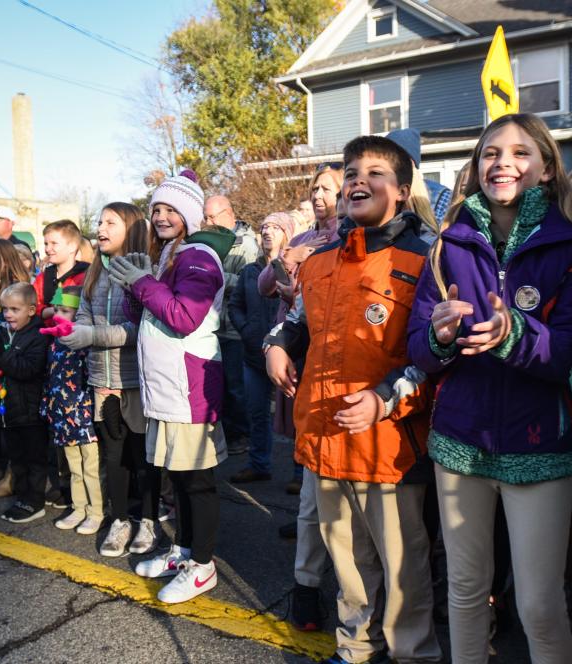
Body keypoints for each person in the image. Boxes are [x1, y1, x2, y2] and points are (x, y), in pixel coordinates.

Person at [265, 135, 441, 664]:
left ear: (404, 192)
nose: (357, 179)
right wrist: (275, 346)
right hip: (325, 437)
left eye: (374, 172)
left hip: (390, 447)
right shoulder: (320, 261)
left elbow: (435, 356)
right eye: (351, 170)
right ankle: (357, 646)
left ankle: (412, 652)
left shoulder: (425, 258)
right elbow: (297, 325)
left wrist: (386, 401)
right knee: (347, 562)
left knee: (403, 566)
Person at [408, 113, 572, 663]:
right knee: (464, 593)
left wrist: (513, 334)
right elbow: (418, 350)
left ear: (547, 168)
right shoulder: (447, 244)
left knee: (540, 606)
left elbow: (567, 351)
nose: (503, 163)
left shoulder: (568, 246)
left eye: (521, 153)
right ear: (476, 168)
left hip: (540, 449)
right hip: (459, 443)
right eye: (490, 153)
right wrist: (440, 335)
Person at [108, 171, 230, 604]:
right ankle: (183, 551)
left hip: (188, 386)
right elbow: (148, 314)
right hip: (166, 386)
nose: (160, 216)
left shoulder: (197, 255)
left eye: (170, 209)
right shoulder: (169, 255)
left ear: (190, 214)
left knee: (197, 481)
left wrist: (142, 283)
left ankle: (203, 565)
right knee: (177, 478)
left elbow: (183, 317)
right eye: (156, 209)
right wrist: (134, 284)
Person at [258, 163, 343, 630]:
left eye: (328, 188)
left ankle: (377, 613)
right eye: (318, 188)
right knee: (312, 497)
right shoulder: (311, 242)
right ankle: (307, 587)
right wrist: (275, 342)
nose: (322, 196)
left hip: (371, 394)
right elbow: (289, 306)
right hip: (312, 372)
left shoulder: (401, 247)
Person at [62, 203, 157, 557]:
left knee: (143, 456)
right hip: (101, 380)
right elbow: (86, 312)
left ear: (130, 228)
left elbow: (140, 330)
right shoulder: (96, 272)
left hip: (135, 381)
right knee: (113, 456)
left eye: (109, 222)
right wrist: (74, 330)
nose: (100, 227)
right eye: (99, 221)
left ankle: (148, 519)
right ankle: (120, 519)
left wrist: (91, 336)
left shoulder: (140, 272)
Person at [228, 212, 296, 483]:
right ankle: (259, 464)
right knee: (257, 414)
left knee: (296, 419)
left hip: (289, 354)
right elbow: (235, 305)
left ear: (287, 234)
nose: (267, 232)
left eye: (275, 227)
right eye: (264, 227)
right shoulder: (249, 271)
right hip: (253, 355)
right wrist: (246, 330)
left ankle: (301, 474)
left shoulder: (297, 268)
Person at [0, 283, 50, 523]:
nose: (8, 314)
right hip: (6, 410)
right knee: (16, 458)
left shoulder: (38, 336)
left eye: (15, 309)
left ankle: (35, 501)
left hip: (29, 411)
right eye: (5, 309)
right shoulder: (3, 333)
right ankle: (22, 497)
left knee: (34, 459)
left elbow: (27, 370)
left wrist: (0, 355)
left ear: (31, 310)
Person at [40, 286, 103, 535]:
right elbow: (50, 377)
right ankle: (79, 507)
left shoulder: (84, 345)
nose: (57, 314)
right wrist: (48, 405)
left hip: (83, 416)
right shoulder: (54, 344)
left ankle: (96, 511)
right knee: (73, 466)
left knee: (91, 466)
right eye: (56, 309)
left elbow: (92, 378)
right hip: (62, 415)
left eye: (64, 310)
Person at [203, 195, 260, 455]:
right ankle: (229, 433)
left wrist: (215, 276)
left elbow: (251, 283)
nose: (208, 221)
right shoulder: (209, 242)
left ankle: (243, 436)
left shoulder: (245, 245)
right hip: (213, 325)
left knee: (236, 386)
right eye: (206, 217)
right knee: (221, 384)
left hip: (234, 328)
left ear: (229, 215)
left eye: (213, 217)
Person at [33, 220, 89, 323]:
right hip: (45, 335)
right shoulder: (43, 278)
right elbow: (33, 306)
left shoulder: (87, 276)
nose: (47, 249)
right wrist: (52, 310)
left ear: (72, 246)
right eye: (46, 243)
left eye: (54, 243)